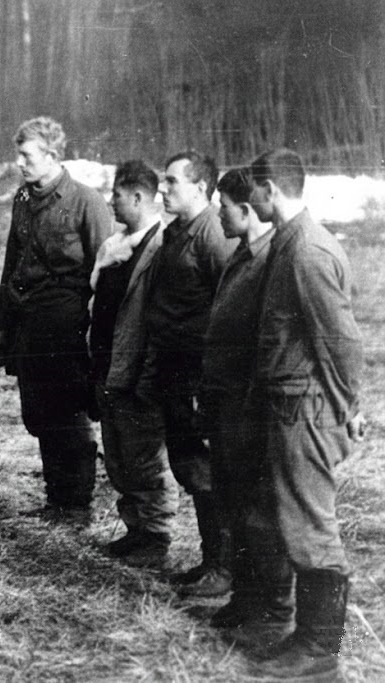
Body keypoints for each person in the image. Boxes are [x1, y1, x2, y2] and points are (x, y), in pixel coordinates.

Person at [244, 149, 364, 681]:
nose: (250, 201)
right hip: (286, 402)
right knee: (291, 521)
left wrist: (344, 411)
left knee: (312, 525)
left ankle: (323, 649)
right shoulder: (288, 243)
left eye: (254, 190)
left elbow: (341, 342)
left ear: (270, 190)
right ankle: (307, 637)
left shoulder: (307, 250)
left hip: (306, 409)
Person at [0, 116, 110, 518]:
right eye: (18, 154)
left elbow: (105, 269)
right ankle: (57, 498)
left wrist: (98, 335)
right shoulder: (23, 199)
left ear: (53, 156)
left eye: (27, 155)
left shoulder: (85, 201)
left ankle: (76, 503)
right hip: (28, 322)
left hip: (67, 326)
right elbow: (12, 264)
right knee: (38, 412)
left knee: (68, 412)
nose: (20, 163)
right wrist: (3, 331)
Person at [199, 168, 291, 647]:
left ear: (247, 210)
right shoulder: (241, 255)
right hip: (224, 401)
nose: (218, 213)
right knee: (233, 501)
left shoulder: (271, 260)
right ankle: (245, 596)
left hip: (249, 405)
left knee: (259, 509)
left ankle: (275, 610)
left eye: (224, 206)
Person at [143, 151, 237, 596]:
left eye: (172, 182)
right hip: (173, 369)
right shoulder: (177, 231)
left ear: (200, 188)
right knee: (188, 466)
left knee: (204, 469)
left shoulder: (213, 234)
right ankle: (211, 562)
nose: (162, 189)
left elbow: (229, 306)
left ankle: (224, 568)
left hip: (198, 373)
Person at [89, 160, 177, 565]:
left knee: (145, 458)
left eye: (117, 196)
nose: (111, 202)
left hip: (139, 370)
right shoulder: (117, 244)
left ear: (138, 196)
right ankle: (135, 530)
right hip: (110, 366)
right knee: (120, 455)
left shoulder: (162, 246)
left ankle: (156, 538)